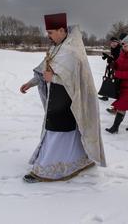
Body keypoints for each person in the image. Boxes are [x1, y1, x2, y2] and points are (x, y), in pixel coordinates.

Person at [20, 13, 106, 183]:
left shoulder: (72, 51)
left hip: (70, 100)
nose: (48, 36)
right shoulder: (55, 48)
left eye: (51, 32)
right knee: (61, 131)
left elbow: (76, 79)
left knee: (61, 131)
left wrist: (54, 78)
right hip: (57, 98)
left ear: (61, 30)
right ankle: (79, 160)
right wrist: (31, 83)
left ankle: (47, 169)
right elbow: (44, 71)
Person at [98, 36, 121, 101]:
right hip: (111, 67)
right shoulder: (113, 48)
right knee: (108, 79)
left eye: (114, 42)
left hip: (117, 69)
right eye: (112, 42)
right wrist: (107, 56)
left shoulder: (119, 49)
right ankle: (105, 95)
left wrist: (110, 58)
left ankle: (118, 96)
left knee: (116, 82)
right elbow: (112, 57)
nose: (113, 44)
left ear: (117, 43)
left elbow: (118, 59)